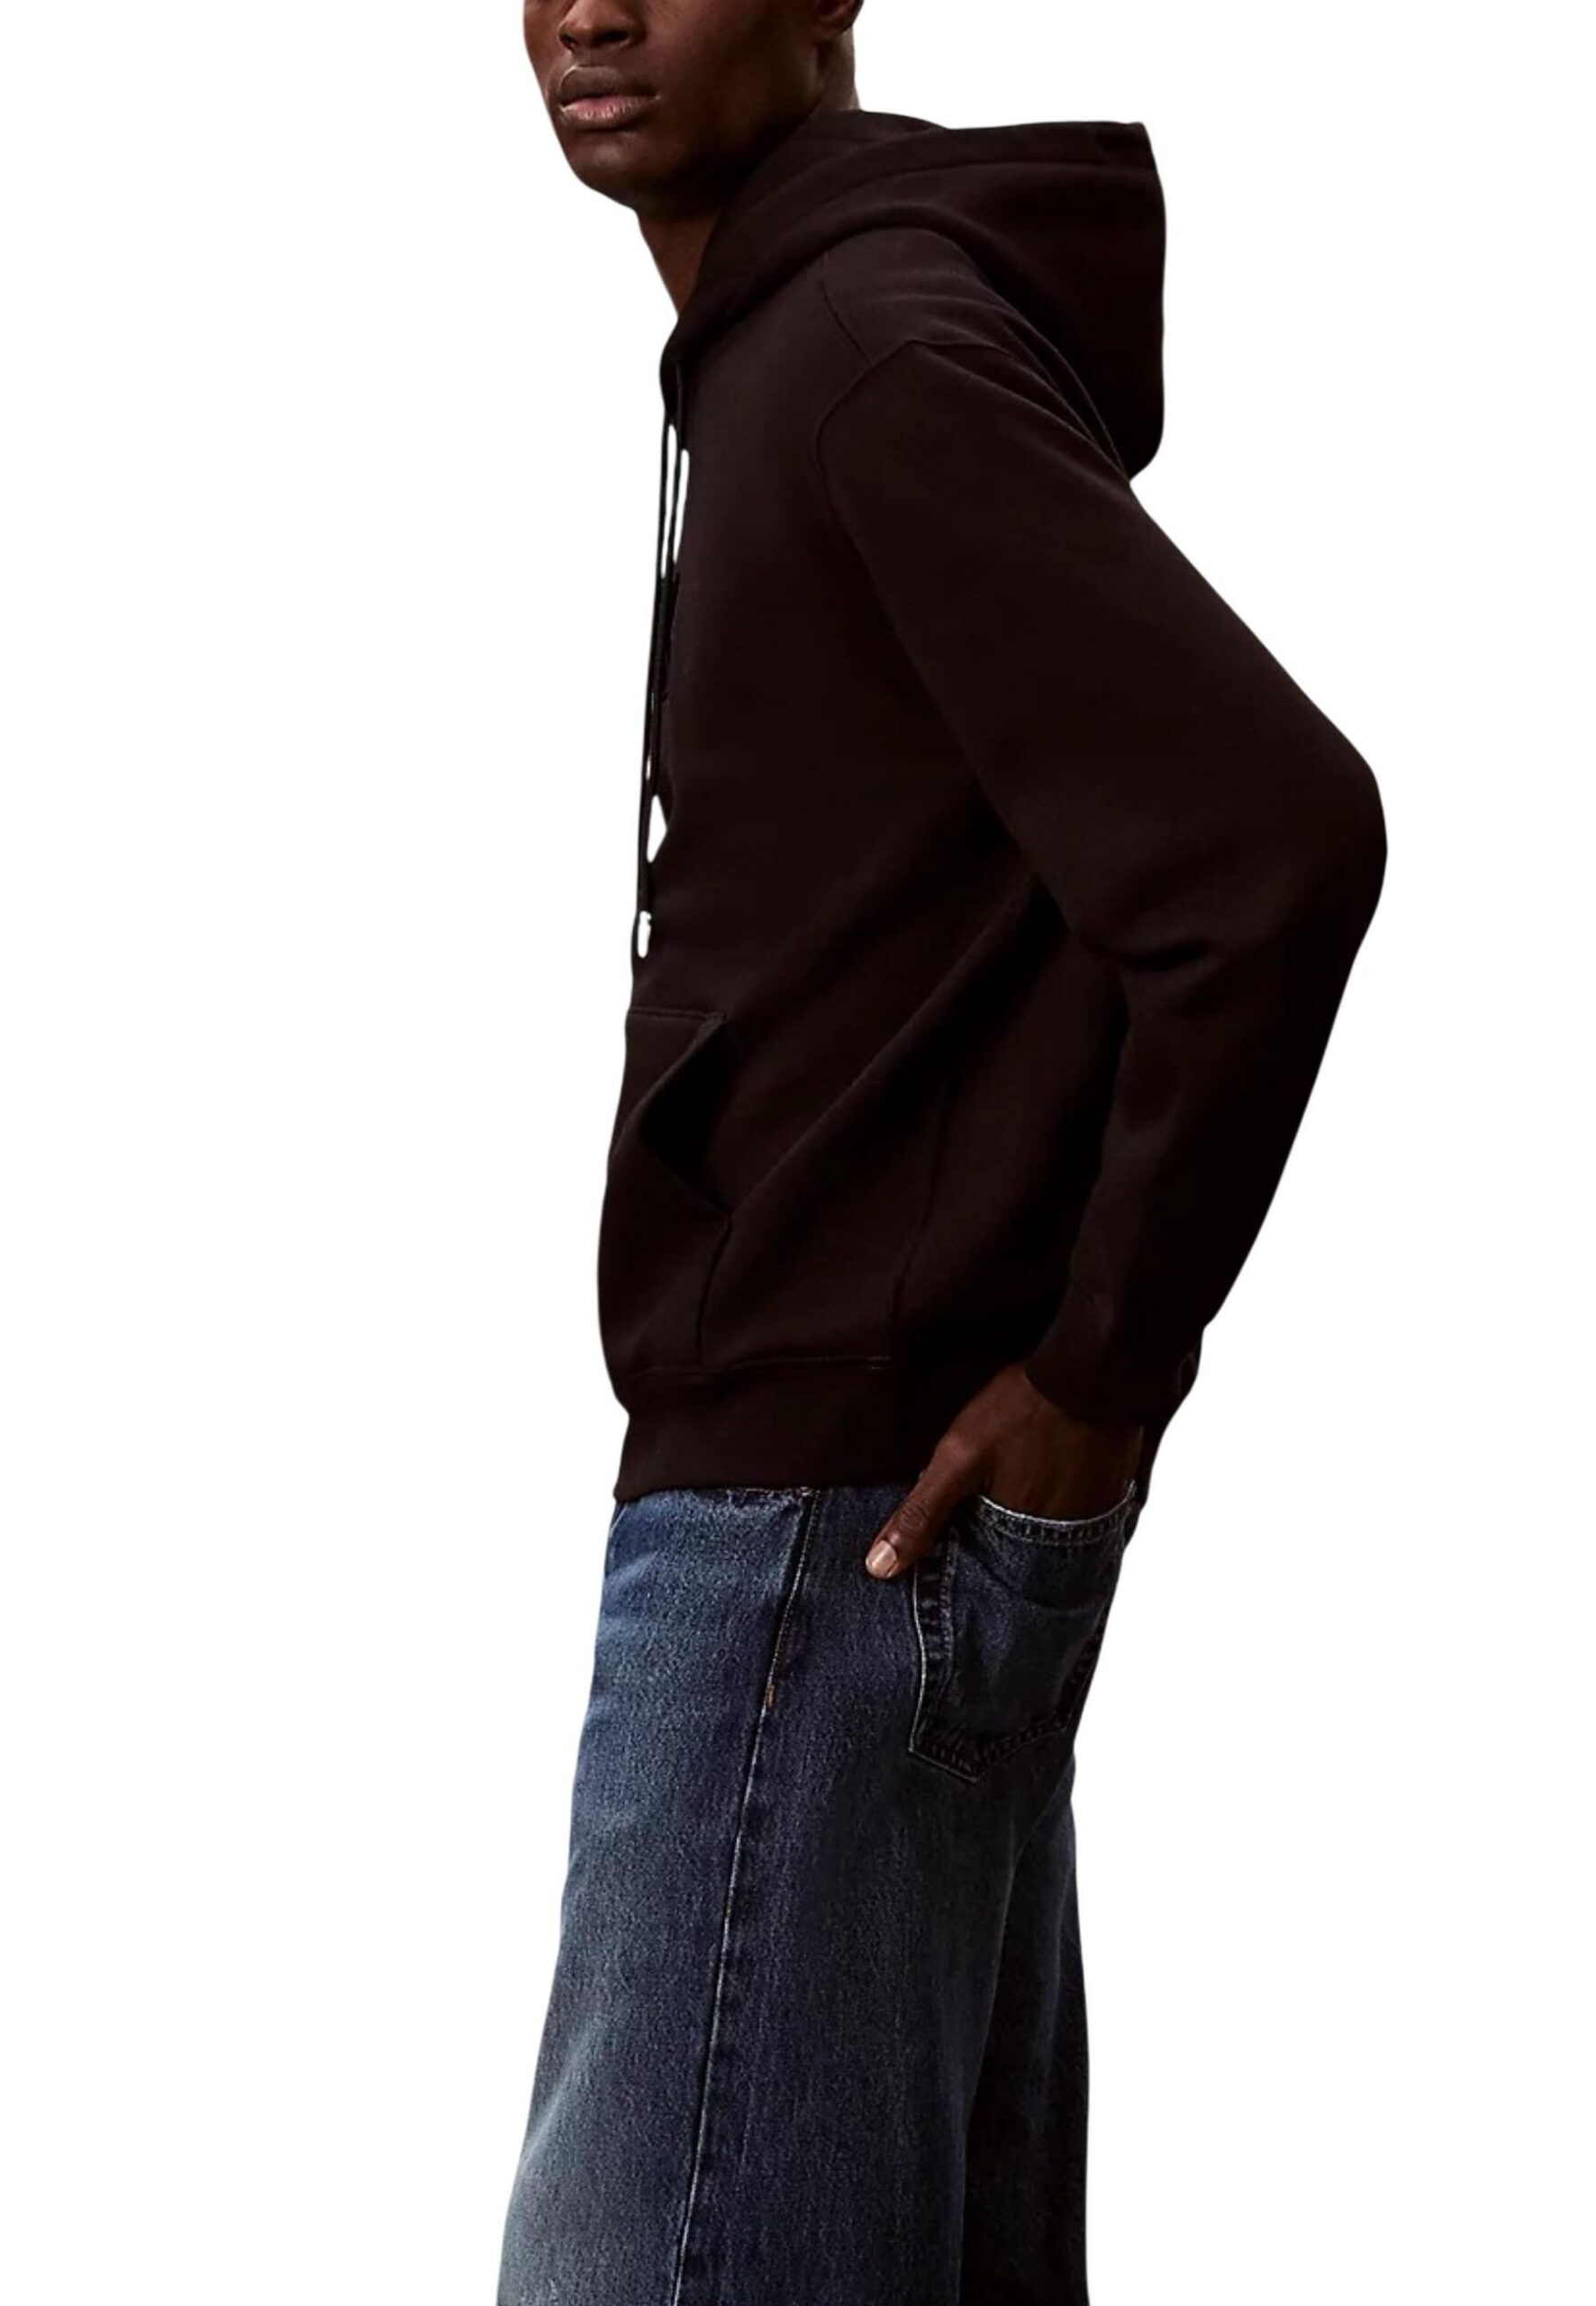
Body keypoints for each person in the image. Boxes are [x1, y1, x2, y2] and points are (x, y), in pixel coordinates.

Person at [499, 5, 1386, 2300]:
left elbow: (1275, 836)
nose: (587, 9)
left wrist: (1105, 1363)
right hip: (855, 1535)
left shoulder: (867, 353)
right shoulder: (812, 345)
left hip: (810, 1550)